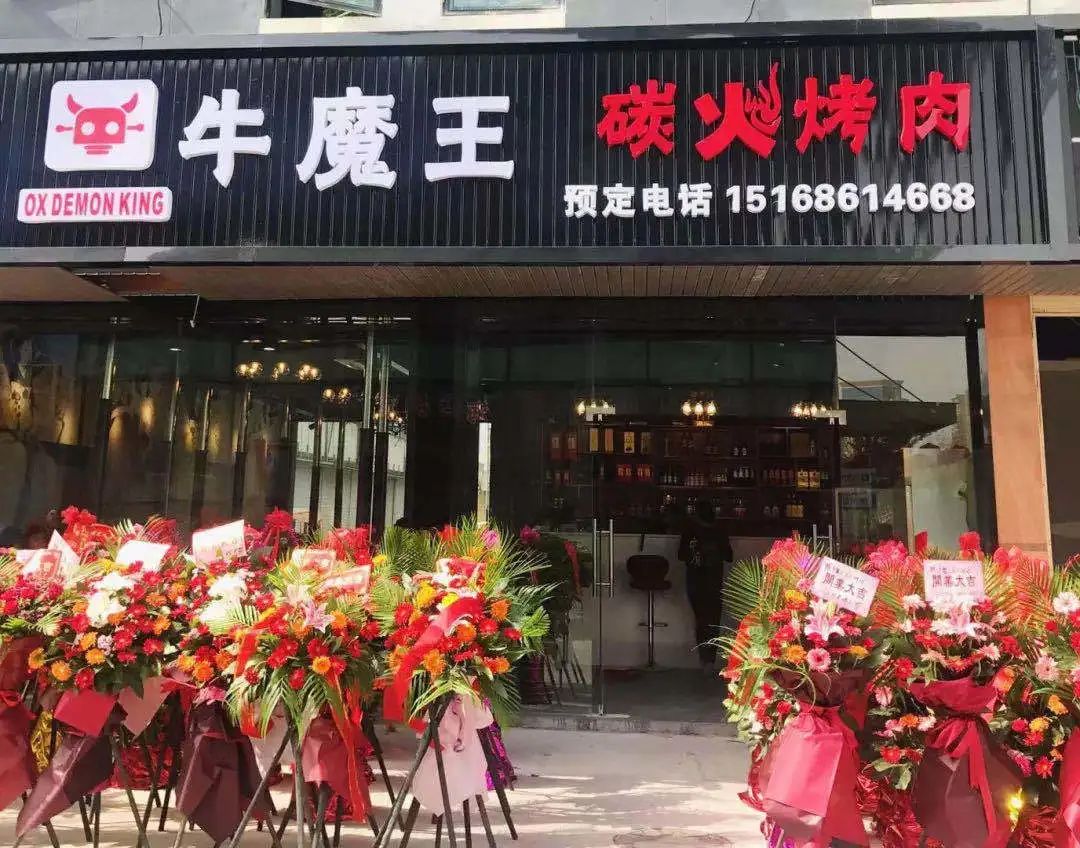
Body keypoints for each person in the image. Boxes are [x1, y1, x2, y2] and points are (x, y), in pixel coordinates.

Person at [678, 498, 733, 668]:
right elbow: (729, 556)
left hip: (695, 581)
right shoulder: (719, 530)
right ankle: (709, 660)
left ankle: (705, 660)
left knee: (701, 621)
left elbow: (681, 555)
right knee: (712, 621)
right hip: (713, 581)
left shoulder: (690, 531)